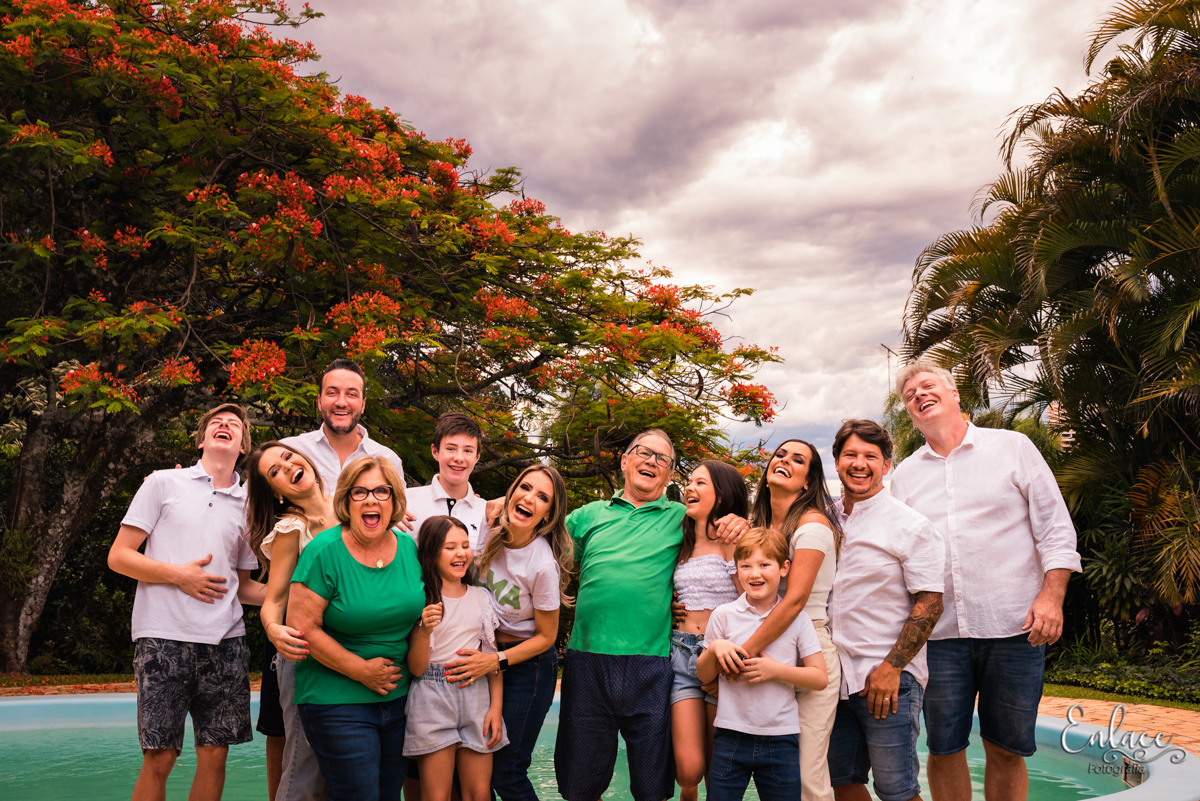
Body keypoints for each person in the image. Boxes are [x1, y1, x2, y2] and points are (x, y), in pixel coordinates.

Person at [889, 359, 1082, 801]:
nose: (919, 394)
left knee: (1007, 749)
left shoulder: (1013, 447)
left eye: (928, 385)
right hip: (937, 636)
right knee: (943, 748)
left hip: (1015, 628)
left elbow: (1055, 528)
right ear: (909, 411)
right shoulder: (903, 477)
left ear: (955, 393)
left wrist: (1052, 597)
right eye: (909, 394)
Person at [554, 428, 750, 801]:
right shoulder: (588, 516)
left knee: (653, 783)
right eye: (644, 452)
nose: (652, 461)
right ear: (625, 461)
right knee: (580, 780)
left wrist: (742, 521)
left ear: (669, 475)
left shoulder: (683, 518)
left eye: (663, 459)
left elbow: (728, 533)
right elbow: (539, 548)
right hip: (588, 659)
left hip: (655, 662)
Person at [107, 402, 266, 801]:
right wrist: (181, 576)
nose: (226, 425)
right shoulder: (162, 483)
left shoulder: (249, 506)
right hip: (163, 637)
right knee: (160, 758)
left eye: (235, 425)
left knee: (215, 755)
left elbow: (242, 586)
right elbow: (120, 556)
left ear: (243, 447)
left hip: (226, 644)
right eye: (217, 422)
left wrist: (301, 600)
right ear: (201, 440)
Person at [287, 456, 425, 801]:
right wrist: (362, 671)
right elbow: (301, 628)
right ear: (346, 501)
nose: (371, 500)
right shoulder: (324, 552)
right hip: (336, 698)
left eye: (382, 491)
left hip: (399, 698)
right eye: (360, 492)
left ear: (394, 501)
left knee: (388, 794)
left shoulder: (408, 548)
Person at [826, 420, 945, 801]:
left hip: (886, 678)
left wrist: (892, 668)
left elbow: (930, 602)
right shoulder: (821, 519)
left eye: (870, 457)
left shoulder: (909, 525)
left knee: (898, 791)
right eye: (851, 455)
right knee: (842, 781)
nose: (859, 464)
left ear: (886, 465)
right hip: (831, 677)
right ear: (837, 461)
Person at [442, 464, 573, 801]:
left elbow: (547, 637)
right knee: (467, 765)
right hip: (479, 660)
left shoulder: (542, 565)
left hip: (524, 668)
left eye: (542, 497)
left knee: (507, 771)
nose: (530, 498)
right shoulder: (485, 530)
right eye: (525, 488)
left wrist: (495, 662)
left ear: (548, 515)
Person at [732, 440, 843, 801]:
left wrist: (742, 655)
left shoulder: (812, 525)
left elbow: (794, 600)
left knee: (807, 775)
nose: (784, 461)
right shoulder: (759, 526)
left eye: (798, 460)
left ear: (808, 483)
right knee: (774, 773)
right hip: (767, 648)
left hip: (807, 648)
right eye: (780, 455)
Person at [696, 527, 828, 801]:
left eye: (764, 565)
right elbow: (703, 675)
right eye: (746, 566)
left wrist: (776, 670)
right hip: (730, 735)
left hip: (780, 738)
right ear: (737, 569)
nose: (754, 574)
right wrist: (716, 648)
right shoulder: (723, 615)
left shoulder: (797, 619)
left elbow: (819, 677)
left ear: (784, 568)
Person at [246, 441, 336, 801]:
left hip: (359, 654)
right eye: (275, 472)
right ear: (276, 493)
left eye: (287, 457)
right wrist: (274, 629)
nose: (287, 467)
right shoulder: (290, 529)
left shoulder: (354, 507)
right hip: (308, 658)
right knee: (303, 767)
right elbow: (274, 600)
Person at [405, 516, 508, 801]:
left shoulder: (481, 597)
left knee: (479, 793)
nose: (461, 553)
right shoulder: (422, 599)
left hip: (476, 694)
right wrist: (425, 629)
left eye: (465, 545)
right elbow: (415, 668)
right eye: (450, 547)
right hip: (432, 694)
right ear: (430, 552)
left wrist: (495, 708)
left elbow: (491, 660)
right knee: (437, 796)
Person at [670, 460, 747, 801]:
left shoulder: (734, 540)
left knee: (719, 768)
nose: (689, 488)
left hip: (721, 657)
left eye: (700, 483)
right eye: (689, 482)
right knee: (688, 770)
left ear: (721, 495)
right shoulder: (679, 542)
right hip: (680, 653)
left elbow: (752, 599)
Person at [281, 359, 404, 488]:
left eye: (351, 394)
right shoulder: (289, 453)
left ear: (363, 405)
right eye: (332, 393)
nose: (341, 403)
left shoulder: (389, 461)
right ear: (319, 401)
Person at [405, 412, 487, 549]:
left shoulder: (486, 513)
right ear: (435, 451)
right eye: (451, 449)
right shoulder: (406, 501)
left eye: (468, 451)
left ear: (477, 457)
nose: (459, 458)